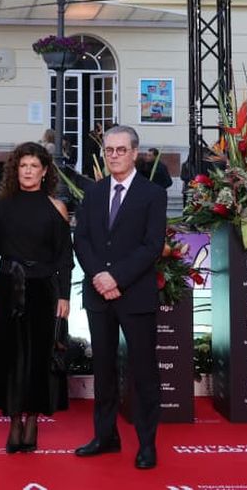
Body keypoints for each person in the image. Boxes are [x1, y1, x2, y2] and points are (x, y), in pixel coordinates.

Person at [74, 124, 167, 471]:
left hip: (135, 295)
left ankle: (146, 443)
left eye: (121, 150)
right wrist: (100, 277)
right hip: (99, 296)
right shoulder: (93, 193)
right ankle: (105, 436)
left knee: (143, 371)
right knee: (104, 369)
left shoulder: (152, 194)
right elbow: (81, 239)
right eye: (109, 150)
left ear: (134, 153)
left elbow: (152, 245)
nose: (114, 156)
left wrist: (117, 277)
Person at [0, 141, 71, 453]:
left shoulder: (56, 207)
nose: (28, 171)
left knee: (39, 358)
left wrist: (65, 296)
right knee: (11, 357)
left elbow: (64, 258)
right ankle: (14, 420)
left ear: (44, 172)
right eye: (22, 166)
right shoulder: (1, 207)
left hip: (44, 290)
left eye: (34, 166)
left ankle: (33, 419)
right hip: (7, 287)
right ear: (14, 170)